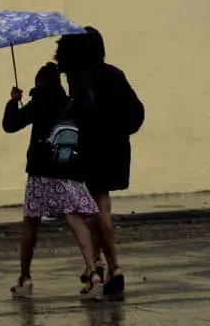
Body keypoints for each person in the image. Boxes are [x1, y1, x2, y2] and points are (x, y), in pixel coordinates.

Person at [55, 26, 144, 296]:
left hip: (89, 149)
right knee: (100, 206)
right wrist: (119, 131)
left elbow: (75, 115)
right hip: (115, 148)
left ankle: (109, 266)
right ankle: (100, 266)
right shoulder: (114, 74)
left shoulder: (77, 78)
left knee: (93, 209)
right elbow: (136, 112)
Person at [1, 62, 102, 299]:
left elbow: (10, 125)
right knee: (75, 218)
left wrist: (14, 100)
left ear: (39, 83)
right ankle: (94, 274)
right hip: (69, 169)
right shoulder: (71, 105)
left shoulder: (38, 103)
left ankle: (25, 280)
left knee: (31, 222)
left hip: (40, 172)